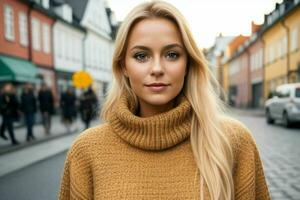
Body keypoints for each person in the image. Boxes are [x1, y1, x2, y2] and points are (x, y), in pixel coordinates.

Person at [59, 1, 270, 199]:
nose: (157, 69)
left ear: (188, 63)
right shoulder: (87, 149)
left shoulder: (233, 141)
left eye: (172, 55)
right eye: (141, 56)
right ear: (123, 65)